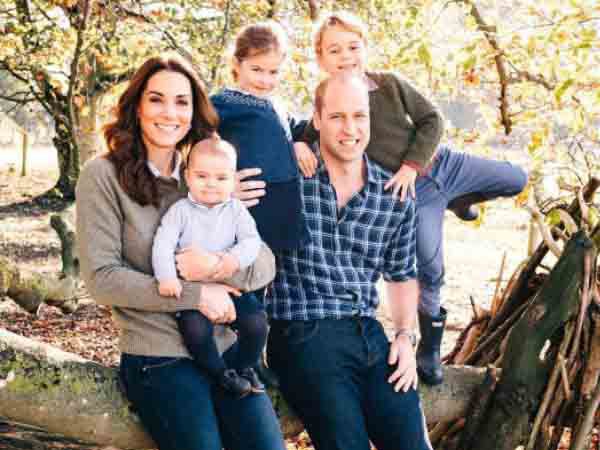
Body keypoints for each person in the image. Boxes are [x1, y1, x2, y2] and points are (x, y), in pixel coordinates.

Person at [295, 11, 528, 385]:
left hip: (442, 165)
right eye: (334, 50)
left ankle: (460, 199)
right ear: (321, 58)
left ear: (365, 48)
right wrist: (298, 145)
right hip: (414, 194)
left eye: (353, 47)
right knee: (430, 267)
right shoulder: (331, 102)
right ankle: (430, 349)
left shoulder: (389, 84)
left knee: (517, 178)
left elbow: (432, 119)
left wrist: (411, 164)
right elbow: (309, 132)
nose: (346, 56)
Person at [76, 54, 286, 450]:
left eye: (182, 101)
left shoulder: (207, 175)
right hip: (158, 356)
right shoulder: (102, 176)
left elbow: (264, 264)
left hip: (226, 349)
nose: (169, 112)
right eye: (156, 99)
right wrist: (197, 295)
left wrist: (217, 265)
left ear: (194, 112)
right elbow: (102, 279)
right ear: (137, 107)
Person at [265, 72, 432, 450]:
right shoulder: (288, 183)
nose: (350, 129)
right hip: (303, 332)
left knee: (412, 442)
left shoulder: (393, 195)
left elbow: (402, 274)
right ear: (317, 119)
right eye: (337, 117)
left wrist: (405, 336)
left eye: (359, 116)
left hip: (368, 333)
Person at [152, 136, 269, 398]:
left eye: (221, 178)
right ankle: (221, 374)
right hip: (194, 291)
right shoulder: (180, 211)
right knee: (195, 331)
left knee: (256, 323)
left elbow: (251, 241)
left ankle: (245, 366)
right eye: (202, 176)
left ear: (233, 180)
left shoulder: (236, 210)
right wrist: (167, 277)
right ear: (188, 176)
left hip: (229, 285)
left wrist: (232, 260)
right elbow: (162, 243)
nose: (211, 184)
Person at [210, 21, 309, 252]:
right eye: (256, 70)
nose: (265, 80)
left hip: (284, 213)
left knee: (275, 269)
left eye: (273, 72)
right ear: (237, 64)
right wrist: (220, 183)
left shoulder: (277, 105)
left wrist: (300, 142)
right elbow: (195, 140)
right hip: (252, 210)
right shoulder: (224, 102)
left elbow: (298, 129)